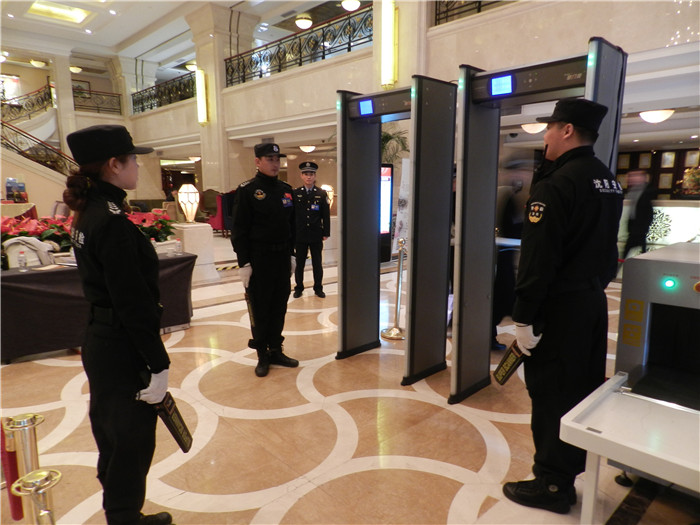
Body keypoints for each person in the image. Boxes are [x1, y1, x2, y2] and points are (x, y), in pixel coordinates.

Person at [503, 99, 623, 514]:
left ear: (567, 130)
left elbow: (539, 258)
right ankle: (568, 470)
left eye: (550, 128)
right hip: (590, 303)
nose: (546, 135)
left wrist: (523, 316)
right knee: (579, 388)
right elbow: (607, 250)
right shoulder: (606, 179)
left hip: (559, 307)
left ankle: (552, 484)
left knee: (551, 390)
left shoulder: (558, 183)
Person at [63, 125, 173, 525]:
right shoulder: (109, 220)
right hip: (121, 344)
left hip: (102, 338)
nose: (138, 166)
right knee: (131, 439)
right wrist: (158, 363)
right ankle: (124, 517)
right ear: (114, 164)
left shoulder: (90, 210)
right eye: (133, 160)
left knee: (112, 433)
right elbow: (133, 303)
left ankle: (122, 514)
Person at [232, 143, 299, 377]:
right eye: (269, 159)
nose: (275, 163)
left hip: (281, 257)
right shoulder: (248, 190)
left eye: (277, 159)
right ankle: (262, 354)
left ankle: (276, 350)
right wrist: (244, 263)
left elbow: (292, 226)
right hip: (259, 259)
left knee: (279, 306)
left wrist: (292, 254)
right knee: (260, 308)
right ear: (257, 162)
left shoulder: (285, 190)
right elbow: (239, 230)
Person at [293, 161, 330, 298]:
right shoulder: (296, 193)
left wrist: (326, 232)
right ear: (301, 176)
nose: (309, 177)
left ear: (315, 176)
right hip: (300, 234)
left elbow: (325, 215)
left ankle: (318, 288)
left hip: (316, 234)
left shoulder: (321, 193)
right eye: (306, 174)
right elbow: (292, 215)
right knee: (299, 264)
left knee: (317, 263)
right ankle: (299, 287)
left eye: (311, 174)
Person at [621, 169, 654, 260]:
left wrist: (644, 225)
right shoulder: (634, 191)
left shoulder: (647, 191)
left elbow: (647, 211)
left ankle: (621, 263)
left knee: (630, 247)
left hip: (640, 226)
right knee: (640, 247)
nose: (630, 179)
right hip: (634, 226)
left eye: (634, 176)